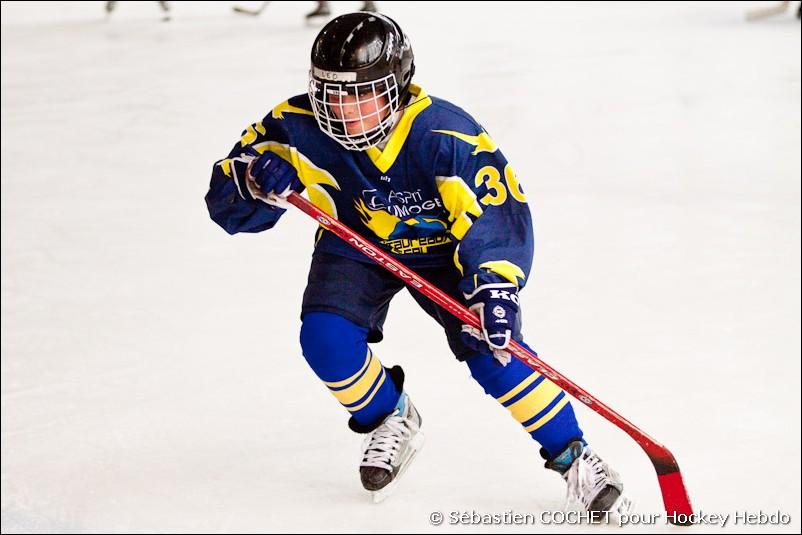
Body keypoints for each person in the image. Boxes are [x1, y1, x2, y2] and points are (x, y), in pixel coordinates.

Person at [205, 12, 628, 511]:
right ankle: (390, 416)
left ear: (396, 87)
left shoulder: (447, 134)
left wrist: (496, 286)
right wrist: (251, 178)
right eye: (331, 94)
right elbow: (226, 202)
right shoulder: (294, 127)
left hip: (448, 253)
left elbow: (496, 215)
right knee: (324, 340)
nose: (343, 109)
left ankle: (575, 455)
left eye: (360, 94)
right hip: (354, 243)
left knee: (496, 352)